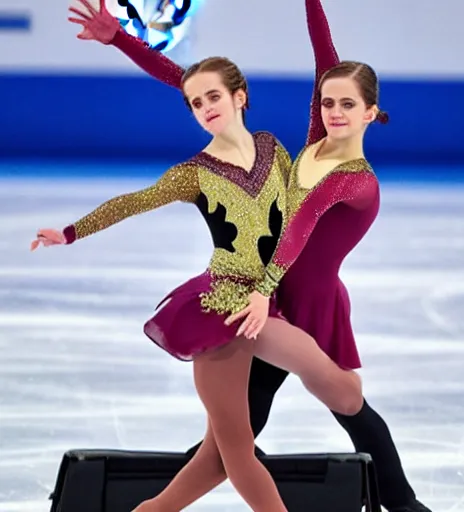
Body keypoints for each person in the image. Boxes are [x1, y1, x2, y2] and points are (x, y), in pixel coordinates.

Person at [66, 0, 432, 511]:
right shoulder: (309, 144)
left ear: (370, 112)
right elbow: (194, 80)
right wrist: (121, 41)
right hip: (263, 301)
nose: (334, 113)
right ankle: (147, 500)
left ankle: (406, 504)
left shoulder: (356, 181)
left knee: (346, 408)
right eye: (328, 103)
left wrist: (263, 291)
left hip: (305, 305)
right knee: (234, 438)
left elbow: (302, 226)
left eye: (348, 105)